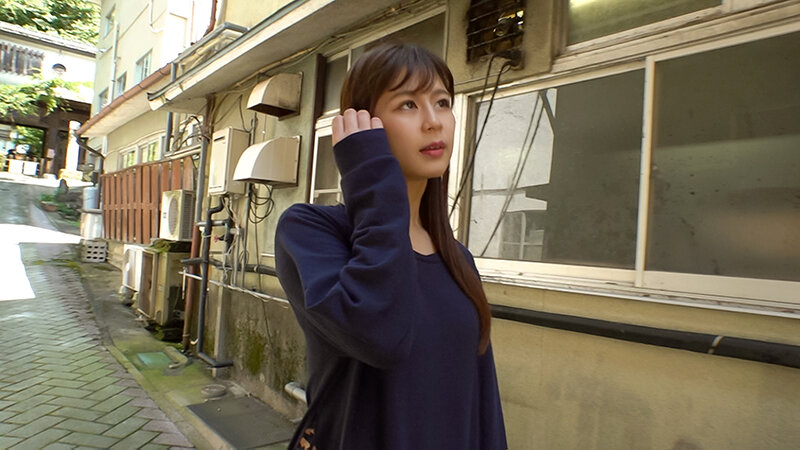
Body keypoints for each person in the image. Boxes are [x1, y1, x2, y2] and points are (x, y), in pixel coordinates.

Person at [274, 43, 507, 449]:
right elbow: (379, 336)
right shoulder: (310, 230)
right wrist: (369, 173)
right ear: (363, 125)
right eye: (407, 105)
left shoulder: (458, 258)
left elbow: (481, 399)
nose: (433, 122)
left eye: (442, 102)